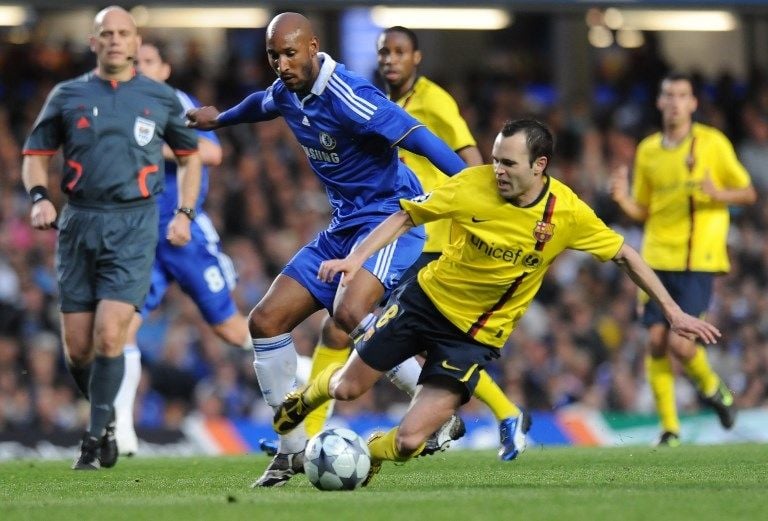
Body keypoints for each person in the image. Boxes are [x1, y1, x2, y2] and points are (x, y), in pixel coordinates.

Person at [273, 118, 721, 485]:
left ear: (539, 165)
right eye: (494, 159)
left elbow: (625, 254)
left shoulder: (567, 213)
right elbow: (406, 213)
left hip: (474, 336)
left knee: (410, 443)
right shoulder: (472, 185)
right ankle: (307, 395)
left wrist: (673, 310)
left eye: (508, 162)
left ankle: (362, 457)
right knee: (348, 388)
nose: (498, 170)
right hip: (423, 302)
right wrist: (355, 259)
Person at [186, 12, 467, 487]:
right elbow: (263, 103)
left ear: (313, 46)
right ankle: (291, 450)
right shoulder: (288, 89)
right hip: (342, 226)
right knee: (265, 321)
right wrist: (221, 119)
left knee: (349, 310)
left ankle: (435, 407)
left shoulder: (350, 95)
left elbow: (415, 135)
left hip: (388, 219)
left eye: (290, 53)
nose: (281, 63)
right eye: (273, 55)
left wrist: (468, 185)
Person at [303, 25, 530, 461]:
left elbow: (471, 160)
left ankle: (499, 412)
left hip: (429, 235)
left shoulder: (435, 101)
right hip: (395, 230)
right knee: (341, 322)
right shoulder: (372, 99)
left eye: (400, 51)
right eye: (384, 51)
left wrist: (475, 218)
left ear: (417, 58)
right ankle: (303, 438)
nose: (390, 59)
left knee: (375, 327)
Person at [21, 6, 202, 470]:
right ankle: (103, 416)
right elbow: (36, 154)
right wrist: (40, 196)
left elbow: (190, 156)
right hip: (79, 221)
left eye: (125, 33)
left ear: (136, 41)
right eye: (108, 34)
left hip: (135, 224)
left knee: (109, 337)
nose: (117, 40)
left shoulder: (159, 97)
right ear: (94, 43)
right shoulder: (68, 95)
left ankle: (97, 434)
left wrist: (184, 212)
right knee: (77, 350)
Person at [111, 40, 251, 456]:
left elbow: (212, 151)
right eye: (134, 62)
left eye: (148, 62)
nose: (140, 69)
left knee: (230, 329)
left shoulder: (176, 102)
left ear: (166, 69)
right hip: (140, 236)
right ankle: (121, 431)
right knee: (122, 330)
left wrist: (155, 146)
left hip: (181, 233)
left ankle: (302, 374)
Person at [610, 72, 756, 446]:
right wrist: (623, 200)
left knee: (681, 344)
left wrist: (717, 193)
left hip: (697, 259)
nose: (674, 102)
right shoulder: (648, 151)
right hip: (656, 257)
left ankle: (713, 389)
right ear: (659, 102)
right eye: (668, 95)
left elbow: (748, 192)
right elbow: (644, 209)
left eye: (682, 95)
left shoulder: (712, 143)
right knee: (656, 342)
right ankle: (670, 429)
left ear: (693, 103)